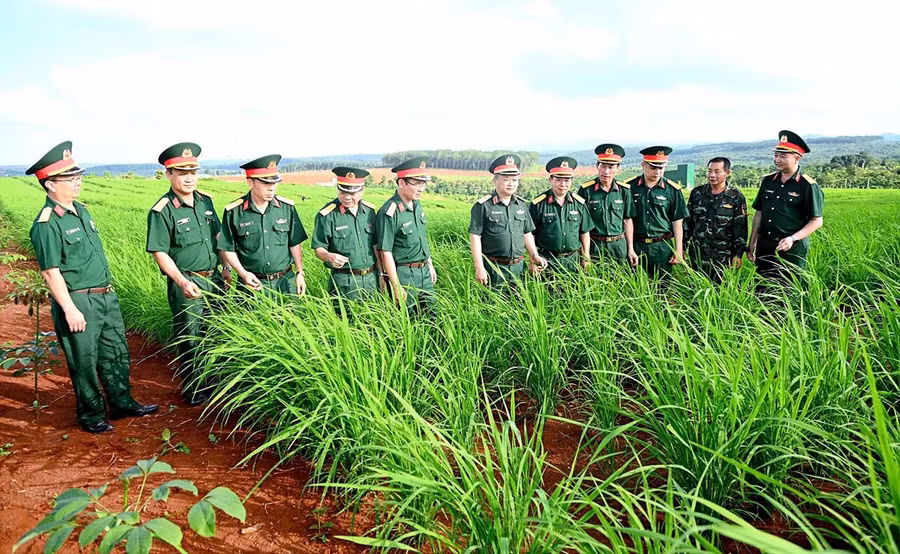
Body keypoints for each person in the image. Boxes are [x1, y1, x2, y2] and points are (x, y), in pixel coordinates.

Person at [28, 141, 157, 433]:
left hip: (105, 296)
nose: (77, 182)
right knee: (84, 361)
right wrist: (70, 309)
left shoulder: (82, 211)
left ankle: (122, 402)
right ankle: (91, 414)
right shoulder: (47, 224)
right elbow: (51, 273)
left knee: (115, 351)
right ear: (49, 185)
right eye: (69, 178)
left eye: (78, 176)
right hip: (78, 301)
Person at [146, 142, 227, 405]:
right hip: (188, 281)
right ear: (169, 175)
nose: (189, 178)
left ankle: (214, 382)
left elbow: (218, 236)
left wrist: (225, 267)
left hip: (214, 279)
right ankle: (193, 389)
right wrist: (181, 281)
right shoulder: (162, 210)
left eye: (193, 172)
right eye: (182, 173)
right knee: (190, 336)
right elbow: (160, 252)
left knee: (214, 332)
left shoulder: (206, 202)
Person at [219, 154, 307, 296]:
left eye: (274, 183)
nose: (272, 188)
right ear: (250, 183)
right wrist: (242, 273)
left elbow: (295, 243)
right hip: (252, 284)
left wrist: (299, 272)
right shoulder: (234, 212)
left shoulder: (286, 208)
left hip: (285, 282)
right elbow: (227, 248)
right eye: (266, 183)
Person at [748, 130, 824, 285]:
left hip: (791, 247)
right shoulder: (768, 181)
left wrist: (792, 238)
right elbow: (759, 212)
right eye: (776, 155)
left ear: (797, 158)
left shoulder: (807, 185)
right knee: (763, 287)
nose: (777, 159)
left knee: (790, 289)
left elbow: (817, 220)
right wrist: (752, 241)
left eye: (783, 156)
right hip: (765, 245)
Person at [468, 154, 547, 287]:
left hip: (518, 268)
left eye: (515, 180)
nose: (511, 184)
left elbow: (527, 233)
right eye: (506, 179)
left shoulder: (521, 205)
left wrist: (534, 256)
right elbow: (475, 237)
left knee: (518, 304)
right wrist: (479, 268)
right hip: (494, 268)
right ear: (495, 181)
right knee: (492, 305)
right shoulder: (483, 206)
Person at [375, 157, 437, 313]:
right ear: (401, 183)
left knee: (432, 317)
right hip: (404, 274)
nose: (421, 188)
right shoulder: (389, 212)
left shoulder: (417, 204)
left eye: (423, 183)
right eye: (416, 183)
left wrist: (429, 264)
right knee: (408, 319)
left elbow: (421, 238)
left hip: (424, 271)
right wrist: (396, 286)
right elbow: (385, 251)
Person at [311, 167, 381, 301]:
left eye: (353, 193)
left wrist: (382, 274)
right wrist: (328, 256)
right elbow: (318, 248)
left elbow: (376, 245)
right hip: (344, 281)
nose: (347, 197)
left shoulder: (370, 212)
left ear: (362, 190)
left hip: (372, 279)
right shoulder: (327, 215)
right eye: (342, 191)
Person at [626, 146, 688, 286]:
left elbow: (677, 220)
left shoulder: (672, 190)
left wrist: (678, 249)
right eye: (653, 167)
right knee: (636, 286)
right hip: (637, 245)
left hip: (662, 246)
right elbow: (626, 219)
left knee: (663, 287)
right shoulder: (630, 187)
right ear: (643, 165)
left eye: (661, 167)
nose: (657, 171)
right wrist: (629, 247)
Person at [685, 157, 748, 283]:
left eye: (717, 171)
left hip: (722, 257)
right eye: (709, 171)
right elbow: (687, 223)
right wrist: (682, 246)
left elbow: (740, 228)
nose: (712, 175)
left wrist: (738, 254)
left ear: (727, 173)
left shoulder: (735, 197)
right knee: (694, 290)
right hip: (697, 254)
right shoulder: (697, 193)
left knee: (719, 292)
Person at [528, 156, 591, 275]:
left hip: (573, 261)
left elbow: (584, 232)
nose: (563, 184)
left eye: (567, 180)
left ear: (571, 181)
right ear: (550, 179)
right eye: (558, 179)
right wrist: (533, 259)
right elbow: (530, 234)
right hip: (546, 261)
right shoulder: (538, 204)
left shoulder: (579, 203)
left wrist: (585, 256)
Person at [577, 144, 638, 266]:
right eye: (603, 166)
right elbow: (581, 225)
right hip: (595, 246)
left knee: (621, 281)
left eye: (611, 167)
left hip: (619, 246)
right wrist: (585, 253)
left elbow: (627, 220)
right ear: (597, 166)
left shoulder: (624, 190)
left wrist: (630, 248)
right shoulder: (586, 190)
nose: (606, 171)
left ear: (618, 168)